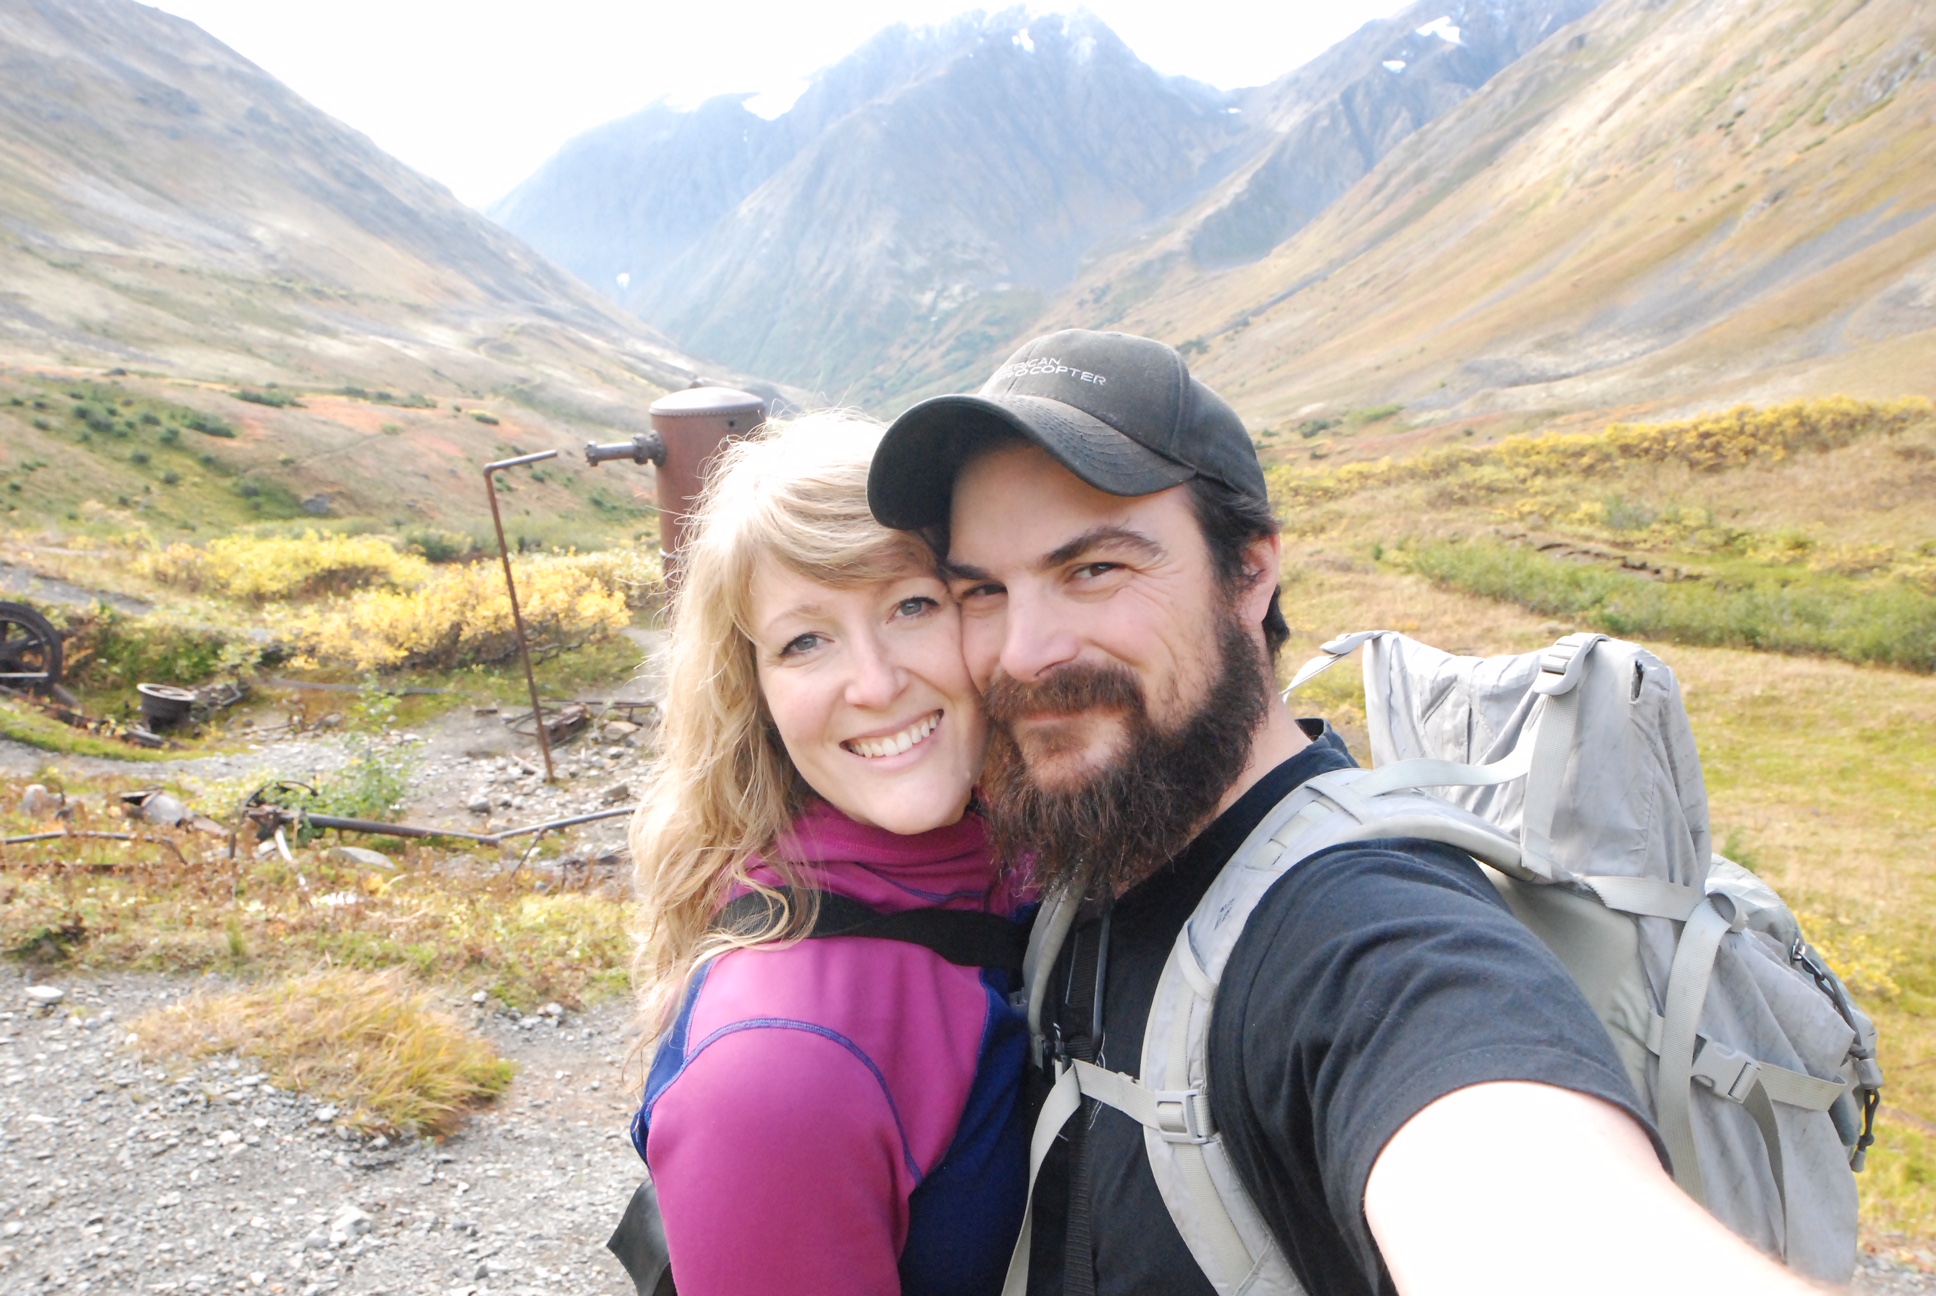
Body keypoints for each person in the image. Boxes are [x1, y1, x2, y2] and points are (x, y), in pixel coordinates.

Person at [866, 330, 1822, 1296]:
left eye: (1095, 569)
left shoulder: (1371, 941)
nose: (1025, 651)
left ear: (1250, 572)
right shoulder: (1104, 847)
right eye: (982, 590)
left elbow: (1530, 1195)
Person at [627, 411, 1027, 1296]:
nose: (877, 684)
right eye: (805, 640)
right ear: (754, 690)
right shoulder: (774, 1074)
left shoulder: (1026, 852)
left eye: (911, 606)